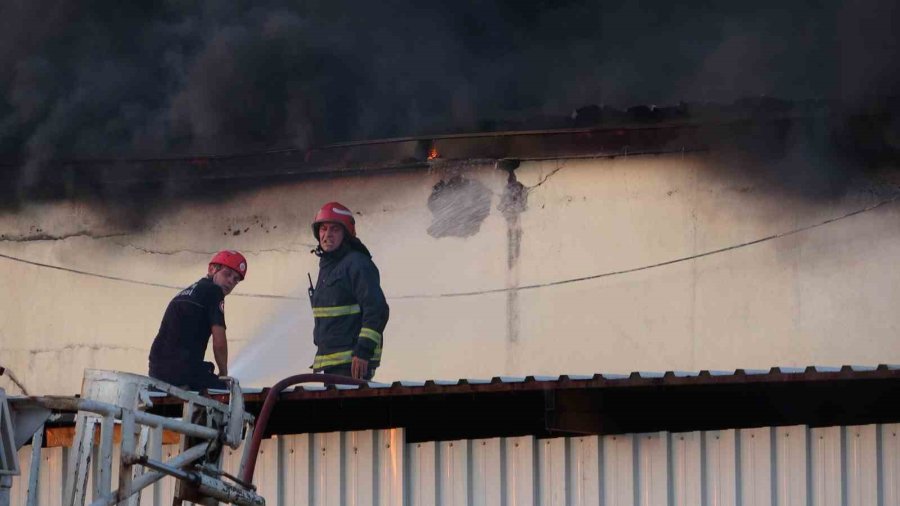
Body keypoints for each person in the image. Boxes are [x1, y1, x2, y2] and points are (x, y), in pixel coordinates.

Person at [309, 202, 389, 380]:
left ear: (346, 234)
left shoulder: (357, 263)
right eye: (323, 228)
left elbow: (377, 310)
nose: (327, 235)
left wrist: (363, 351)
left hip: (353, 364)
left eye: (335, 229)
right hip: (334, 363)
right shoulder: (329, 266)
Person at [148, 250, 247, 390]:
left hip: (156, 371)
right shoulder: (214, 291)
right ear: (212, 269)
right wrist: (223, 374)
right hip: (181, 371)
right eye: (227, 274)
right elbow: (219, 341)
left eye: (236, 279)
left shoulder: (185, 293)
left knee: (206, 369)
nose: (231, 281)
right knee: (224, 391)